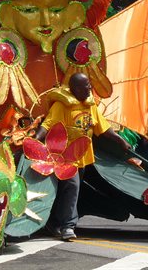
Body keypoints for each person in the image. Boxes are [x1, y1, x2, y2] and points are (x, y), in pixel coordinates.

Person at [34, 72, 131, 240]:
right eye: (86, 85)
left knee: (68, 191)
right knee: (72, 187)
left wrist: (120, 140)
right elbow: (47, 125)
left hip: (83, 157)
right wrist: (34, 140)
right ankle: (68, 226)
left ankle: (53, 222)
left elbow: (103, 128)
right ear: (76, 88)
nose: (90, 88)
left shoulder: (90, 105)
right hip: (65, 158)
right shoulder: (62, 105)